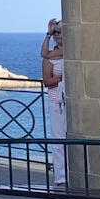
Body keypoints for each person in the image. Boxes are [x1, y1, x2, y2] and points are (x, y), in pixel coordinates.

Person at [40, 18, 66, 187]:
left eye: (59, 32)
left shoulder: (69, 53)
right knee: (58, 139)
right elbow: (47, 81)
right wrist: (48, 34)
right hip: (56, 101)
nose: (57, 36)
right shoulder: (50, 57)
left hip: (69, 100)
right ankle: (61, 177)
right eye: (55, 33)